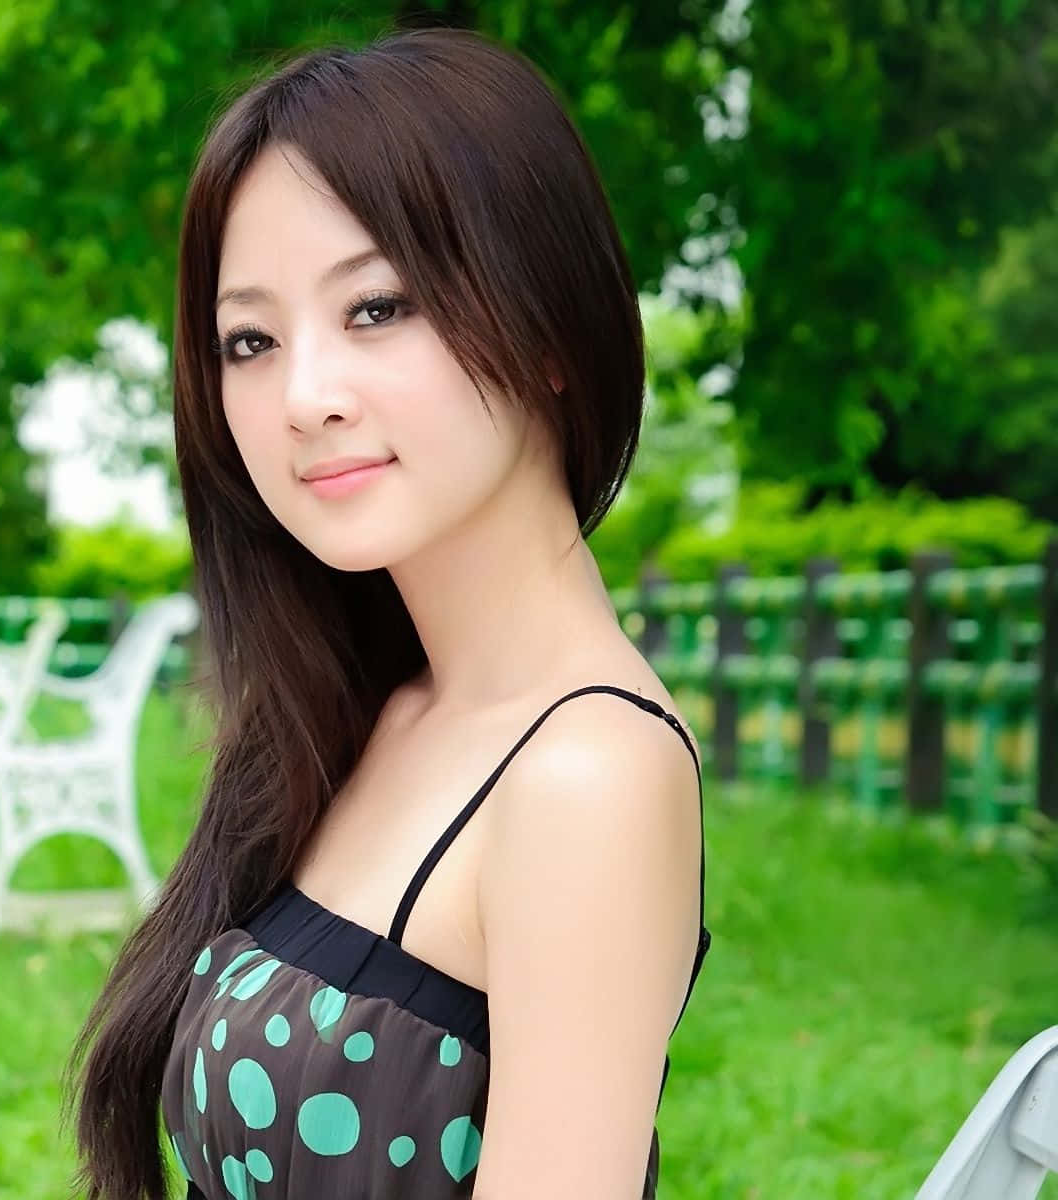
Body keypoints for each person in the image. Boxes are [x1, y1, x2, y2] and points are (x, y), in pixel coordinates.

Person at [66, 27, 711, 1200]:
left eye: (377, 308)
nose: (304, 398)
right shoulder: (369, 710)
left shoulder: (586, 775)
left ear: (550, 327)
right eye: (250, 341)